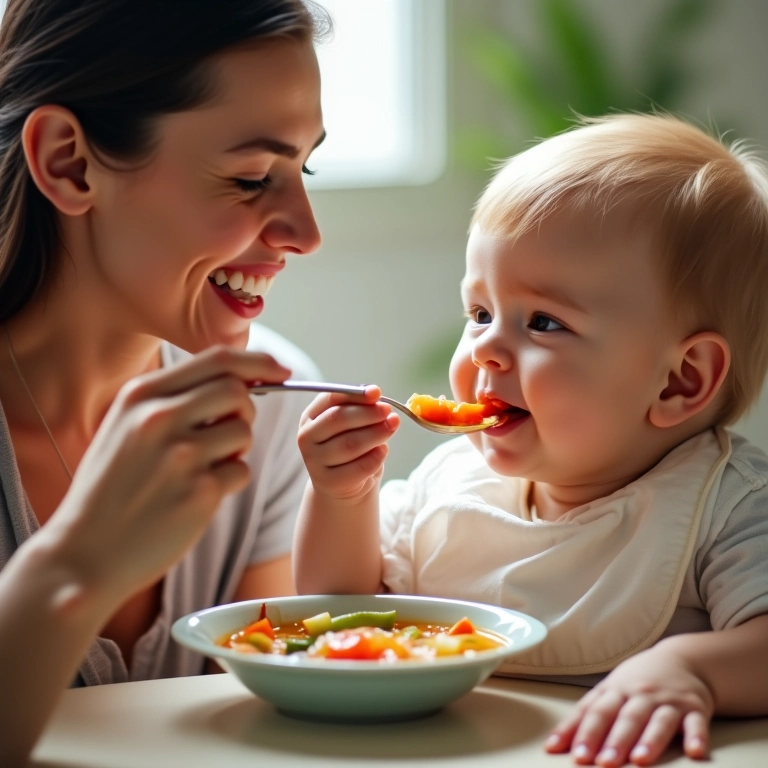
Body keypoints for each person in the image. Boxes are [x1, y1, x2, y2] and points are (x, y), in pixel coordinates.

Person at [294, 113, 768, 767]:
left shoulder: (728, 506)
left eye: (543, 322)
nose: (485, 346)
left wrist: (693, 670)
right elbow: (340, 618)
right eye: (480, 312)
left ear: (679, 382)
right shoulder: (448, 483)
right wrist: (342, 500)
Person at [0, 0, 332, 762]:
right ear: (67, 163)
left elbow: (261, 728)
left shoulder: (275, 410)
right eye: (252, 177)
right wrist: (77, 565)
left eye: (303, 167)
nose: (305, 234)